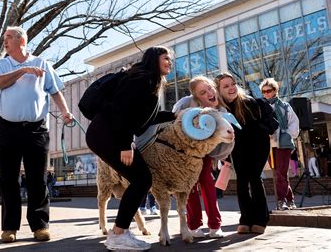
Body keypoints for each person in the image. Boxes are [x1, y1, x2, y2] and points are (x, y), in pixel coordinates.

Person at [86, 46, 175, 251]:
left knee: (140, 179)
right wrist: (125, 144)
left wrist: (173, 116)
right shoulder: (142, 79)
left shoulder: (146, 80)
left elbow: (145, 119)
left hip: (107, 134)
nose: (170, 62)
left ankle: (120, 232)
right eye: (166, 58)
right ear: (154, 59)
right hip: (107, 134)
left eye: (170, 59)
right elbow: (121, 110)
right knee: (142, 179)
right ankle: (118, 234)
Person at [0, 26, 73, 243]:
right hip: (7, 128)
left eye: (8, 38)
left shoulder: (42, 63)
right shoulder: (1, 64)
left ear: (22, 41)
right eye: (4, 38)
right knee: (8, 180)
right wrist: (23, 71)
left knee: (37, 179)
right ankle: (9, 228)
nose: (4, 42)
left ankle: (40, 226)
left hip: (36, 129)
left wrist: (65, 112)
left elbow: (54, 90)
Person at [172, 76, 232, 239]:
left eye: (210, 88)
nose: (210, 93)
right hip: (185, 152)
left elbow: (225, 138)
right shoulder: (186, 103)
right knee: (190, 185)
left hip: (205, 152)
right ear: (196, 97)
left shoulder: (221, 111)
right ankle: (194, 225)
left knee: (207, 181)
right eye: (203, 92)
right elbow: (172, 121)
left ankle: (215, 225)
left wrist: (220, 156)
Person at [215, 72, 272, 234]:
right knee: (241, 181)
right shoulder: (220, 108)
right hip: (237, 147)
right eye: (225, 86)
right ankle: (246, 219)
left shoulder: (248, 102)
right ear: (219, 90)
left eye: (232, 84)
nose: (231, 88)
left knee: (254, 178)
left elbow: (256, 130)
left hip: (258, 145)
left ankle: (260, 219)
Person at [259, 78, 299, 210]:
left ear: (275, 90)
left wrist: (288, 135)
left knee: (281, 173)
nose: (266, 94)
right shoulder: (261, 107)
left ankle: (282, 200)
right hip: (269, 144)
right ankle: (290, 200)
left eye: (268, 91)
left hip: (284, 143)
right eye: (263, 92)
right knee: (278, 173)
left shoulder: (285, 106)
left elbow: (294, 122)